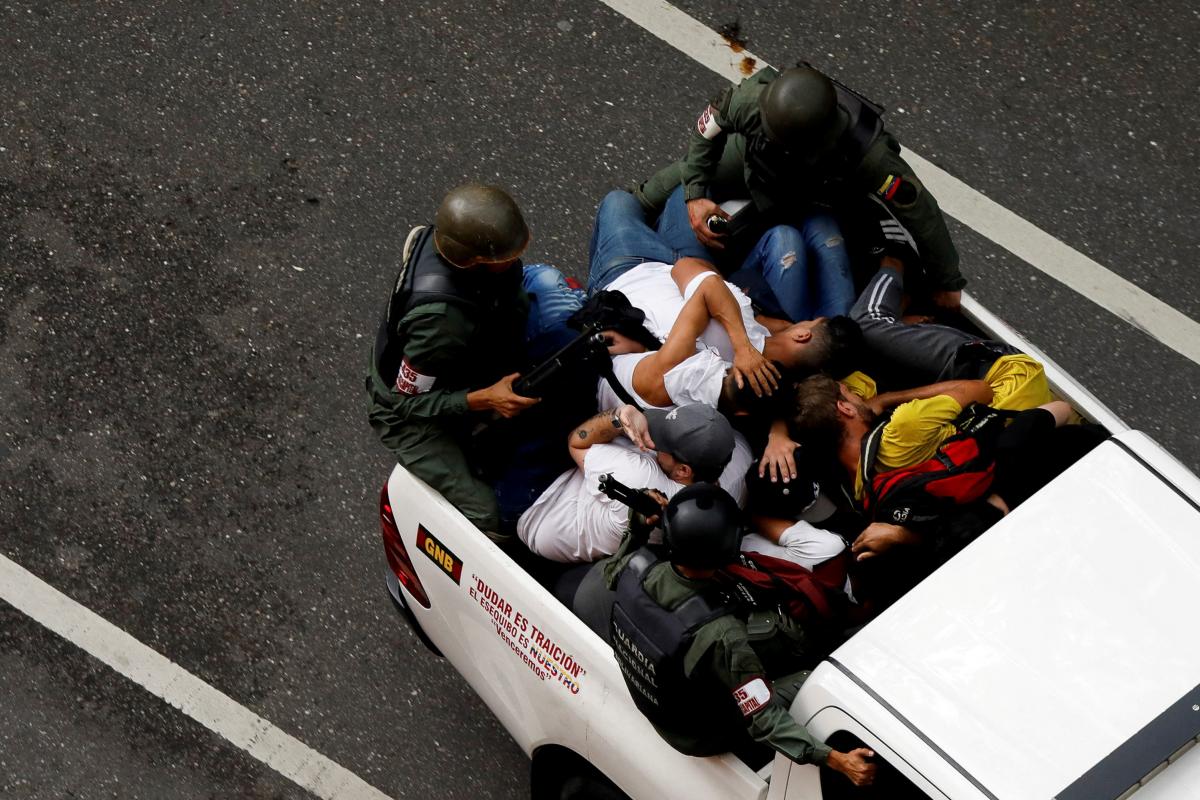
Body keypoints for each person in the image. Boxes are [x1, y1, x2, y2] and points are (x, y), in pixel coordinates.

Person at [604, 483, 876, 786]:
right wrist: (837, 759)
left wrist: (638, 526)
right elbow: (764, 718)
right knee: (808, 673)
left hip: (663, 701)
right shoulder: (723, 635)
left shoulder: (637, 567)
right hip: (700, 733)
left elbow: (610, 573)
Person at [634, 64, 964, 310]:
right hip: (755, 165)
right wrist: (694, 195)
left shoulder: (871, 160)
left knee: (844, 244)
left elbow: (921, 213)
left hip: (819, 192)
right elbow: (708, 130)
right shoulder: (752, 102)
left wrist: (947, 282)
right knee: (660, 188)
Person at [365, 184, 589, 541]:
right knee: (493, 514)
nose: (517, 256)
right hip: (411, 413)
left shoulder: (471, 258)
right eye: (505, 254)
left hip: (477, 341)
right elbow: (405, 403)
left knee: (554, 299)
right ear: (473, 261)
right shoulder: (440, 323)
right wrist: (485, 399)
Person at [517, 402, 752, 563]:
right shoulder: (738, 462)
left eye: (664, 445)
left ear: (683, 470)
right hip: (583, 495)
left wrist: (618, 417)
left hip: (539, 509)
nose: (656, 440)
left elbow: (576, 441)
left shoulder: (640, 477)